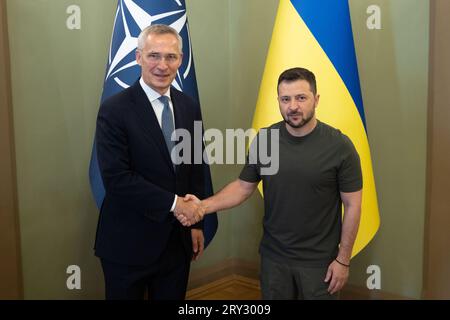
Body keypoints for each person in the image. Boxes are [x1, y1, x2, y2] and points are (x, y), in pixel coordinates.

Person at [178, 67, 362, 300]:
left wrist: (343, 260)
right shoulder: (266, 140)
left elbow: (353, 205)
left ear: (316, 99)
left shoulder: (340, 146)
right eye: (285, 99)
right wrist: (202, 207)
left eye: (301, 98)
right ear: (278, 101)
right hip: (274, 259)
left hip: (320, 264)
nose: (293, 106)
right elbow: (243, 187)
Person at [94, 24, 206, 300]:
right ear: (138, 57)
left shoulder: (188, 106)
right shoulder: (114, 110)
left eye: (171, 57)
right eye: (154, 55)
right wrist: (175, 204)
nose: (162, 65)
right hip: (128, 243)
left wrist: (195, 224)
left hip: (176, 243)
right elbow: (118, 179)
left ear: (181, 60)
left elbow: (194, 169)